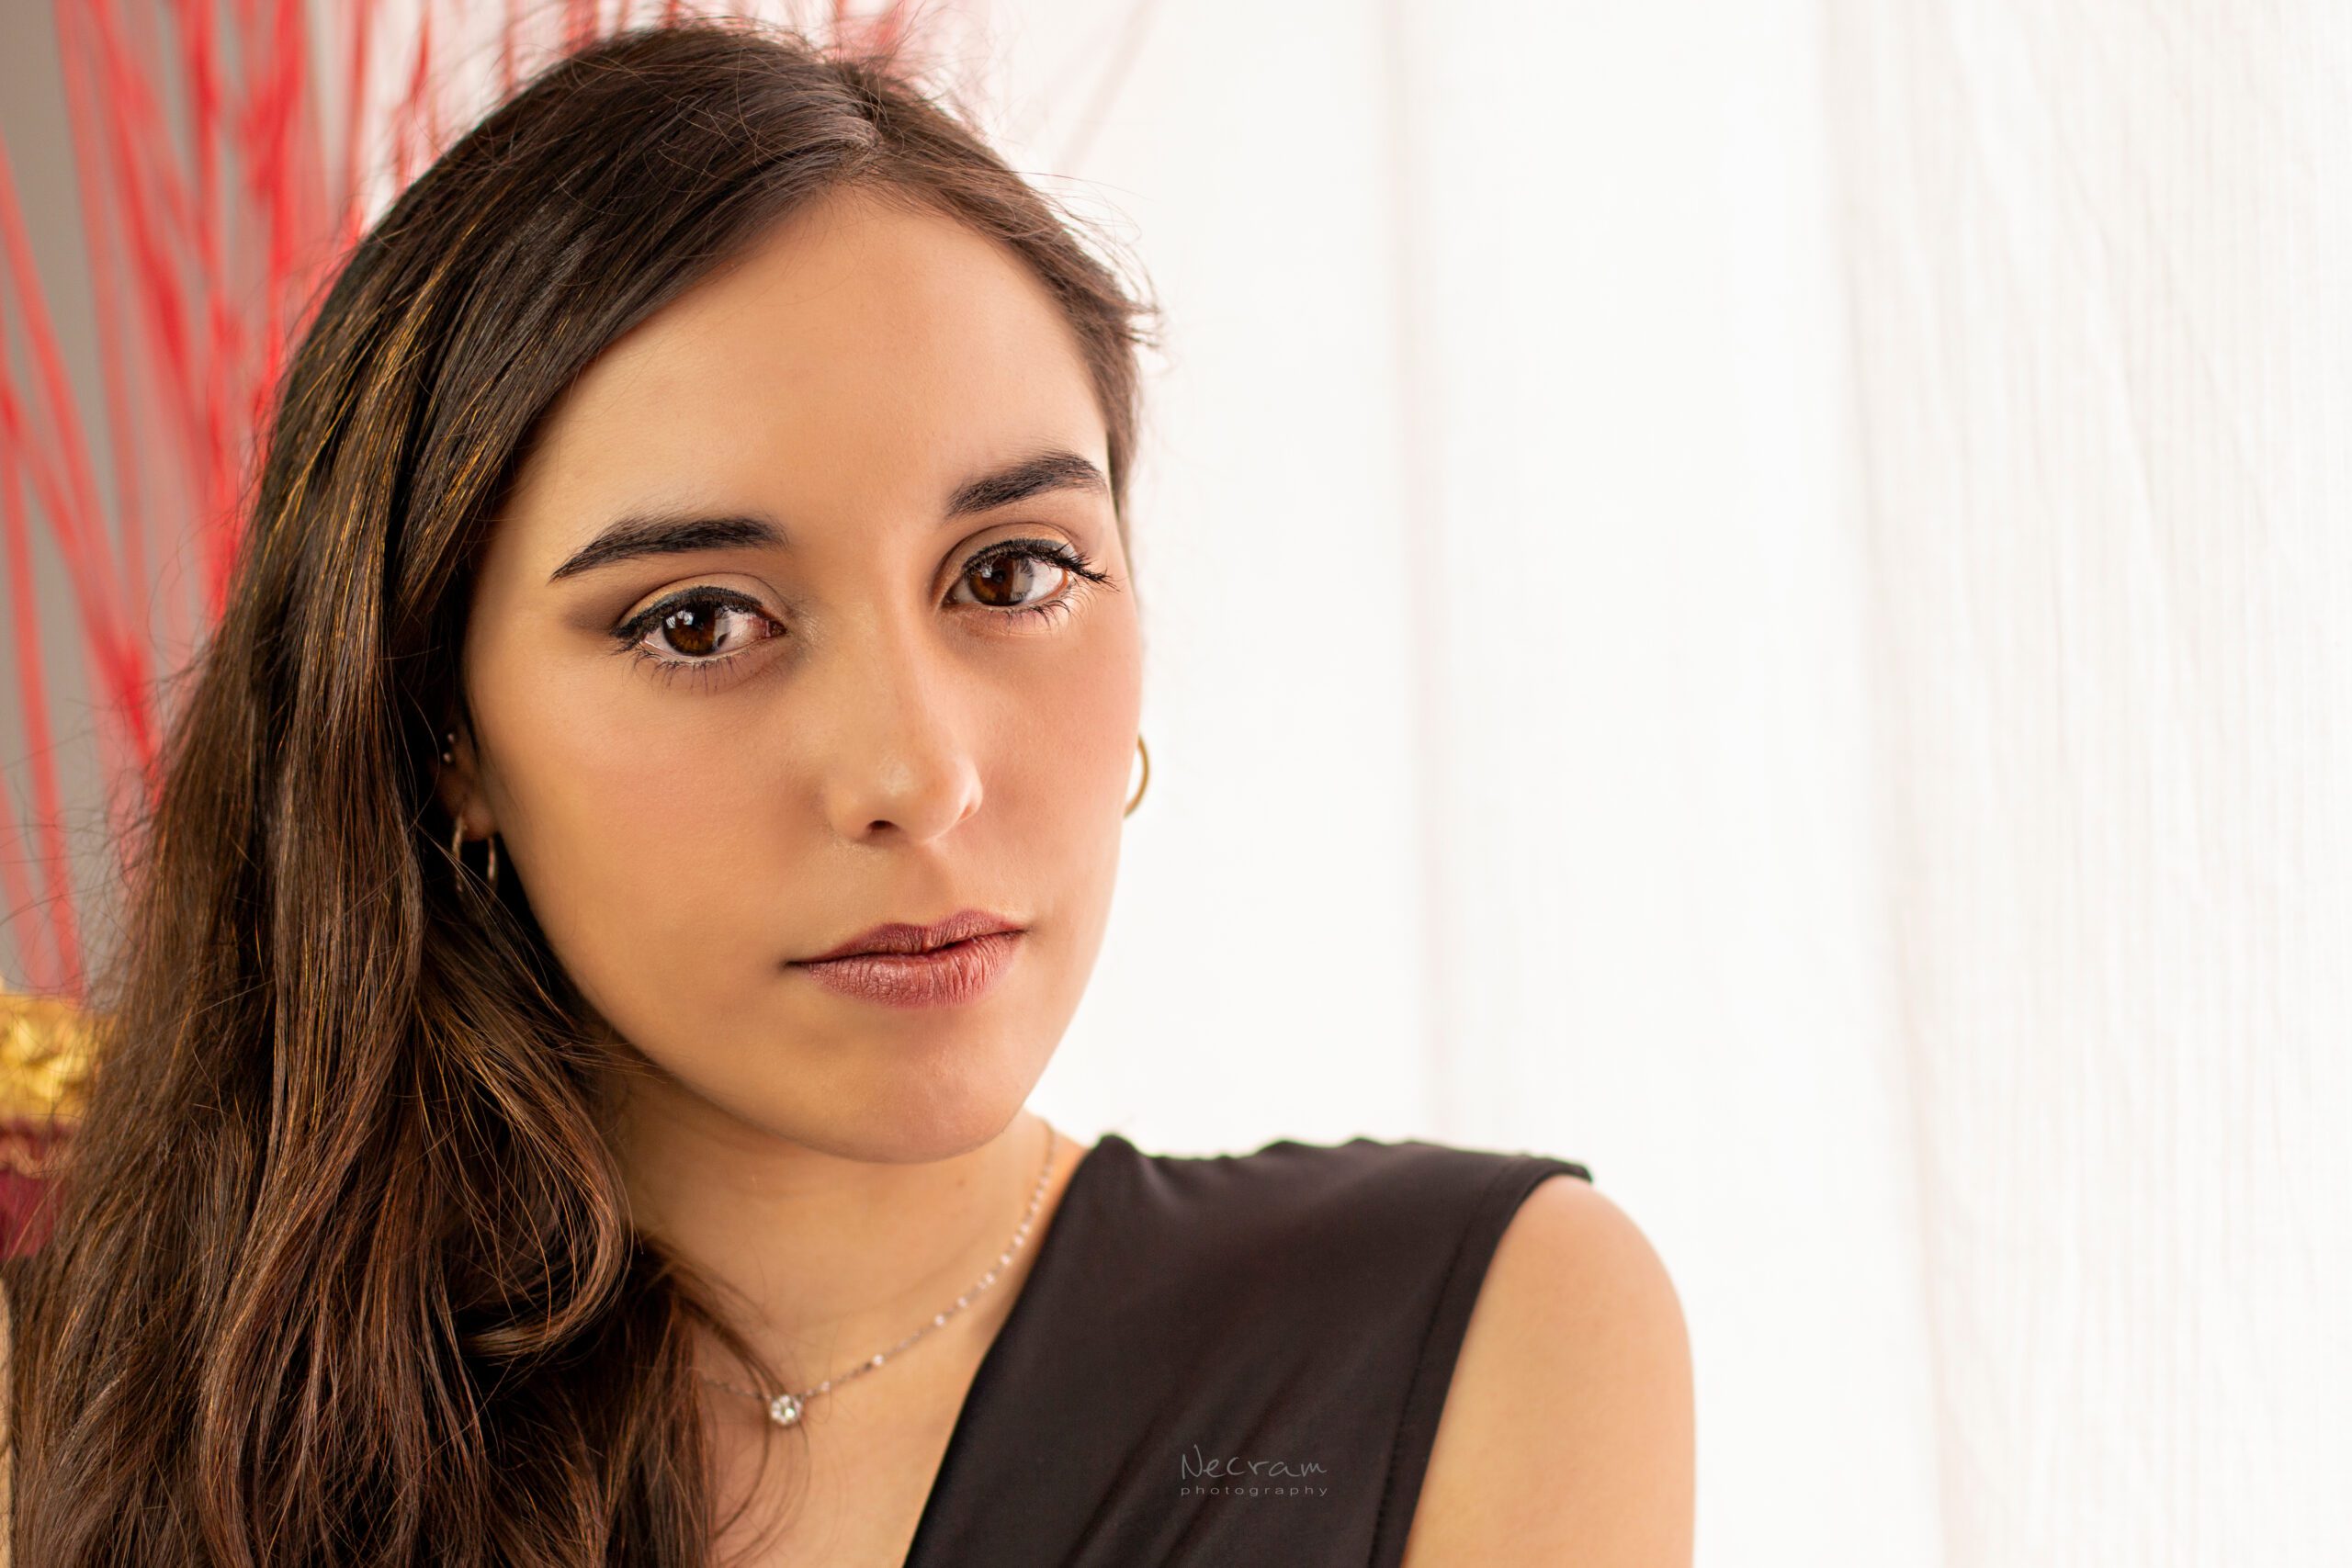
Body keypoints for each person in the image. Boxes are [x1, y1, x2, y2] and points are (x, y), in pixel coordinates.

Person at [0, 18, 1691, 1566]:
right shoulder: (92, 1407)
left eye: (1014, 574)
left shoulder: (1472, 1340)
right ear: (444, 732)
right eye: (700, 622)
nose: (921, 774)